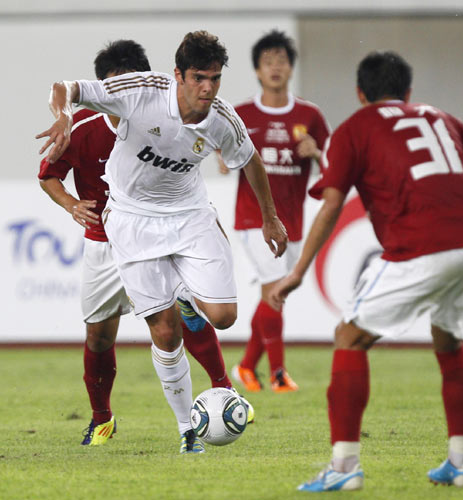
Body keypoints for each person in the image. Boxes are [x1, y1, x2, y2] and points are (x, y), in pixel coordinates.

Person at [270, 51, 463, 491]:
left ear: (360, 93)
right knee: (449, 339)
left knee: (349, 337)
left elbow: (331, 203)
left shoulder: (357, 126)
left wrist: (298, 271)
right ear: (408, 92)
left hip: (422, 246)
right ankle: (461, 462)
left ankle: (343, 467)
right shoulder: (446, 119)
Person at [37, 31, 286, 454]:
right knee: (146, 334)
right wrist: (62, 116)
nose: (207, 88)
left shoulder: (221, 118)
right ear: (178, 76)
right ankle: (178, 429)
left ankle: (189, 303)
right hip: (128, 224)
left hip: (189, 217)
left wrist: (271, 217)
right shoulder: (131, 97)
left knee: (224, 316)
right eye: (198, 78)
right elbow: (65, 91)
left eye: (215, 78)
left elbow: (251, 160)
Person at [219, 30, 330, 393]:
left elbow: (332, 170)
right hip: (255, 219)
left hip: (294, 221)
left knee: (276, 294)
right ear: (257, 70)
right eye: (268, 62)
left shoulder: (310, 115)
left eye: (282, 61)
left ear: (291, 68)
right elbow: (219, 151)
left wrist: (316, 154)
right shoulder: (241, 114)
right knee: (275, 289)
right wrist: (220, 156)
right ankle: (278, 373)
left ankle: (248, 366)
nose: (276, 67)